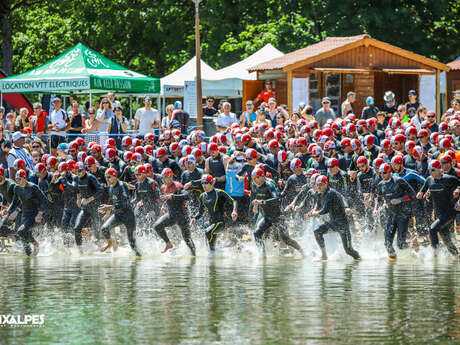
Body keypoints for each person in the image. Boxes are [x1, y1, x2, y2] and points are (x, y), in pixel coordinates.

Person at [251, 166, 304, 256]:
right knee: (256, 233)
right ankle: (262, 255)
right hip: (267, 217)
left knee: (286, 240)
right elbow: (257, 197)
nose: (255, 180)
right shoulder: (256, 186)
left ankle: (302, 251)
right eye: (253, 178)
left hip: (278, 217)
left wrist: (262, 202)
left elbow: (277, 198)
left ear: (262, 176)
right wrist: (255, 205)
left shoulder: (269, 185)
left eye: (256, 178)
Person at [306, 175, 360, 261]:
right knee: (317, 232)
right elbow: (318, 204)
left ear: (326, 184)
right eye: (317, 185)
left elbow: (325, 210)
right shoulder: (320, 193)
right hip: (333, 223)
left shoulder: (330, 193)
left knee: (348, 250)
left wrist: (315, 213)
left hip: (342, 224)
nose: (319, 186)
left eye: (321, 184)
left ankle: (359, 259)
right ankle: (324, 255)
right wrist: (313, 210)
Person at [417, 160, 459, 257]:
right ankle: (456, 255)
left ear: (439, 169)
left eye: (432, 170)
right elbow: (424, 188)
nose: (430, 172)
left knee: (432, 229)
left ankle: (434, 253)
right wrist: (421, 193)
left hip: (449, 211)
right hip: (438, 213)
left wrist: (458, 194)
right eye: (429, 170)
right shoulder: (429, 179)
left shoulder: (449, 178)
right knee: (446, 238)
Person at [374, 163, 415, 259]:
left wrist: (400, 199)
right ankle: (393, 261)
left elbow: (412, 194)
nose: (382, 175)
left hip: (403, 214)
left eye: (384, 173)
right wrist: (377, 208)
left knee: (400, 244)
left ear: (389, 172)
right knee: (387, 243)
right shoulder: (381, 184)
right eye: (380, 173)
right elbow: (378, 198)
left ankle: (412, 249)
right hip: (391, 214)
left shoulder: (398, 181)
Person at [98, 168, 141, 256]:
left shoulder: (122, 186)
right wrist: (108, 213)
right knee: (104, 229)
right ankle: (110, 243)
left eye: (109, 177)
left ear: (114, 176)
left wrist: (108, 207)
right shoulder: (110, 187)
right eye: (106, 177)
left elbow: (125, 204)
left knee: (133, 245)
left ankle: (138, 257)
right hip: (118, 214)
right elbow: (113, 201)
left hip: (128, 216)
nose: (107, 179)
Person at [152, 168, 196, 255]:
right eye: (162, 178)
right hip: (171, 215)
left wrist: (173, 196)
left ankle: (194, 254)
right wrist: (162, 207)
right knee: (157, 226)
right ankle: (168, 244)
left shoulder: (178, 186)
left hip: (182, 216)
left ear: (170, 177)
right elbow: (165, 199)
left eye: (165, 177)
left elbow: (187, 196)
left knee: (187, 239)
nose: (163, 179)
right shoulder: (163, 187)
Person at [190, 174, 238, 252]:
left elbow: (234, 201)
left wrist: (234, 211)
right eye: (202, 183)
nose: (203, 185)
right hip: (211, 223)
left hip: (221, 222)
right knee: (208, 237)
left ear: (211, 183)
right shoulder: (202, 196)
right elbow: (200, 212)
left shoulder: (219, 192)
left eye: (206, 183)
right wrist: (194, 218)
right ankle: (214, 254)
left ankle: (212, 254)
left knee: (207, 232)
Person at [7, 169, 47, 256]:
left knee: (20, 232)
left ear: (24, 178)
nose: (17, 181)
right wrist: (8, 211)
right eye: (16, 179)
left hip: (34, 215)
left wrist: (40, 214)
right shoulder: (16, 188)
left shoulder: (33, 187)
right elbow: (14, 202)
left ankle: (36, 244)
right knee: (24, 239)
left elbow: (44, 200)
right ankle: (31, 257)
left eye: (19, 179)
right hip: (24, 215)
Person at [73, 162, 104, 253]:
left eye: (80, 171)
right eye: (77, 171)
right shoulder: (76, 178)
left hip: (95, 207)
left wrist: (89, 199)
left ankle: (101, 248)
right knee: (77, 228)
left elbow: (101, 189)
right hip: (85, 209)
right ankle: (80, 250)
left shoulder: (90, 177)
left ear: (84, 170)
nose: (79, 173)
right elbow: (77, 190)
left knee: (97, 229)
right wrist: (78, 198)